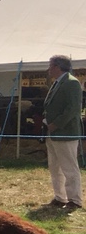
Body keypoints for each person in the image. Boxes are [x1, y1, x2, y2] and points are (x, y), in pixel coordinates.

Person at [42, 54, 83, 211]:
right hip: (53, 133)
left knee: (69, 167)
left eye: (51, 66)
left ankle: (75, 199)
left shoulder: (72, 83)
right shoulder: (57, 83)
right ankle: (60, 197)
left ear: (58, 67)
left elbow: (73, 109)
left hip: (65, 132)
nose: (49, 69)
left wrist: (56, 124)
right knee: (55, 167)